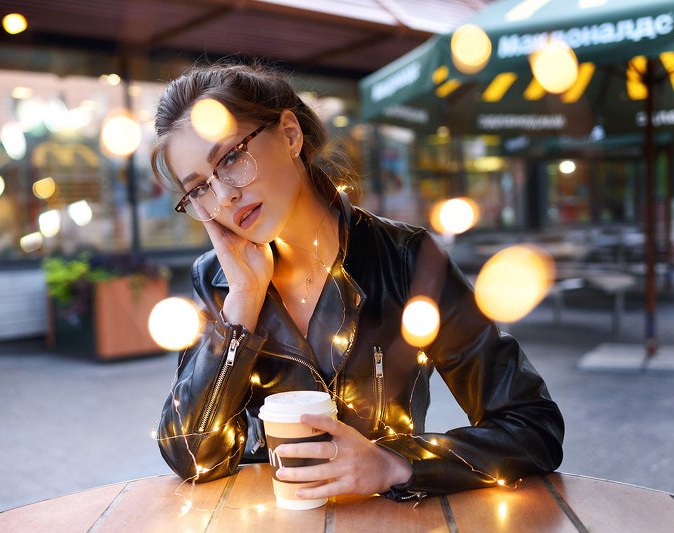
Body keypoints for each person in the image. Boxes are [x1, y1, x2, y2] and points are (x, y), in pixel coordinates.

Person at [152, 62, 564, 501]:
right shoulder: (218, 280)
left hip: (390, 522)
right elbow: (194, 456)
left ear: (290, 134)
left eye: (231, 158)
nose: (224, 195)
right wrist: (244, 304)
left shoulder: (406, 258)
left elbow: (532, 426)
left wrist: (394, 463)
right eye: (199, 189)